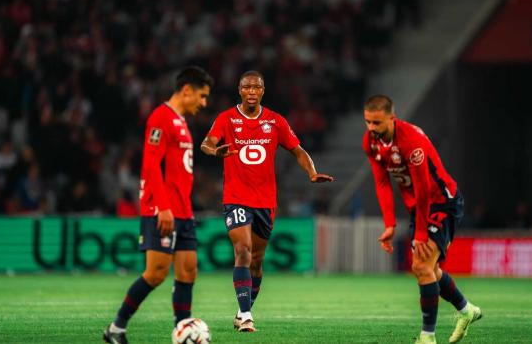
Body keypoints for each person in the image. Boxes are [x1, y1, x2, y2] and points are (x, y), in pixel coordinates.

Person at [200, 70, 333, 332]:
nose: (251, 91)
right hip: (236, 198)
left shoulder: (275, 121)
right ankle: (247, 316)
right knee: (243, 250)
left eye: (256, 87)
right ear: (239, 90)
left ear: (263, 91)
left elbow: (298, 150)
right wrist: (216, 151)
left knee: (257, 262)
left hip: (265, 200)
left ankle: (241, 310)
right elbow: (206, 143)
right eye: (246, 87)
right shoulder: (226, 118)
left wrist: (312, 172)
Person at [104, 67, 214, 344]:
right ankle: (116, 328)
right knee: (156, 273)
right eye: (202, 96)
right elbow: (151, 164)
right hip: (161, 208)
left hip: (183, 209)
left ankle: (181, 330)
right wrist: (163, 207)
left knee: (189, 269)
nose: (204, 103)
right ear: (186, 90)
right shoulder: (160, 118)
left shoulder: (182, 123)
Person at [362, 95, 481, 344]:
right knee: (428, 268)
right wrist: (390, 223)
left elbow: (424, 187)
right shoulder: (370, 143)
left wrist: (420, 234)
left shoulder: (411, 141)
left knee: (421, 266)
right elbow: (382, 182)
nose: (371, 129)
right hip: (420, 206)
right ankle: (466, 309)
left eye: (377, 123)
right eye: (368, 123)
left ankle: (428, 337)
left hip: (442, 201)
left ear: (391, 119)